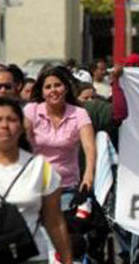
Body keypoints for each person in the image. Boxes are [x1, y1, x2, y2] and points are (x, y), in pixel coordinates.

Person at [0, 97, 73, 264]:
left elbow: (55, 221)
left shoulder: (40, 168)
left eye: (12, 120)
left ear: (21, 128)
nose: (5, 125)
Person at [24, 67, 96, 206]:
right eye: (48, 87)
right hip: (34, 186)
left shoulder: (79, 113)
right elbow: (20, 140)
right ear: (42, 92)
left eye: (57, 85)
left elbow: (89, 147)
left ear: (66, 88)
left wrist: (88, 175)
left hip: (66, 186)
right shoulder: (31, 110)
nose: (53, 90)